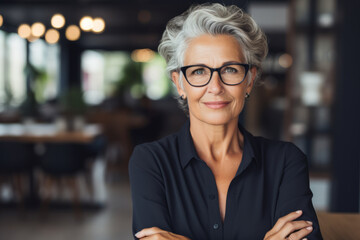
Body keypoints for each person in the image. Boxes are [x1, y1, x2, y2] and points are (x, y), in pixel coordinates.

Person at [129, 3, 323, 240]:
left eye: (230, 69)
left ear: (249, 80)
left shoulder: (286, 162)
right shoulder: (151, 162)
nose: (215, 87)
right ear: (180, 83)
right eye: (199, 71)